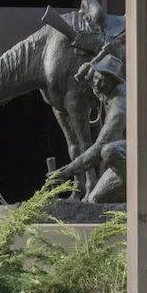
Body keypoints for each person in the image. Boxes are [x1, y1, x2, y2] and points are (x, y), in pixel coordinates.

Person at [48, 50, 127, 204]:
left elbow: (99, 147)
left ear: (114, 81)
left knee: (109, 150)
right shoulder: (107, 89)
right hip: (123, 162)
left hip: (139, 157)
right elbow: (96, 87)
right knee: (94, 199)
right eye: (96, 78)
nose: (97, 84)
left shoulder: (120, 103)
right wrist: (88, 74)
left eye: (101, 80)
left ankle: (136, 191)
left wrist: (66, 172)